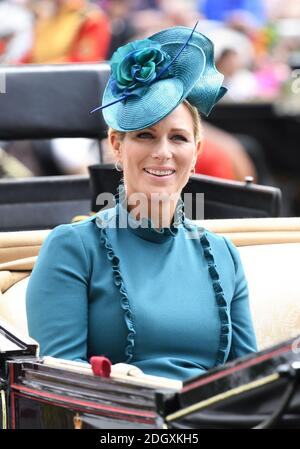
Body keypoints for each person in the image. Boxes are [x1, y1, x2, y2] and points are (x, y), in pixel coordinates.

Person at [26, 24, 257, 381]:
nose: (162, 153)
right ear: (116, 146)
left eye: (178, 138)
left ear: (196, 152)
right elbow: (60, 388)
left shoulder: (224, 254)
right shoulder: (72, 248)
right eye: (145, 135)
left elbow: (252, 380)